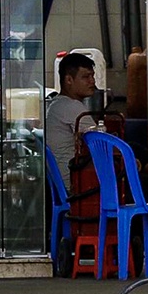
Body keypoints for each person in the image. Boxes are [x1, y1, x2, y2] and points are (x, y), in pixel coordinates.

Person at [44, 51, 99, 194]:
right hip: (75, 185)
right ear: (69, 80)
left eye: (92, 76)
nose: (92, 82)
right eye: (86, 77)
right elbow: (101, 145)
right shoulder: (71, 107)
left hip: (62, 183)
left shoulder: (56, 104)